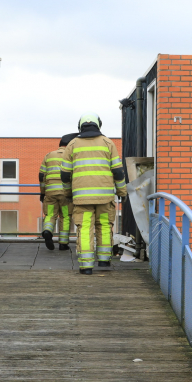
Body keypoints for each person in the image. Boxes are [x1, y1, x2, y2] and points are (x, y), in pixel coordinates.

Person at [61, 113, 127, 275]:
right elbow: (118, 172)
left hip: (81, 198)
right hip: (105, 198)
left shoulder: (72, 144)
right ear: (99, 125)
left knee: (84, 229)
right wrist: (122, 192)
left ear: (80, 126)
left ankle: (86, 266)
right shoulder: (108, 143)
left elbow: (64, 174)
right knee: (104, 226)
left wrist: (69, 193)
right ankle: (104, 260)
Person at [39, 133, 78, 250]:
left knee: (50, 215)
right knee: (65, 216)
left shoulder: (49, 155)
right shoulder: (71, 155)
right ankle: (63, 243)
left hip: (50, 193)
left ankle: (47, 231)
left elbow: (42, 176)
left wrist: (42, 192)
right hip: (66, 194)